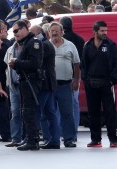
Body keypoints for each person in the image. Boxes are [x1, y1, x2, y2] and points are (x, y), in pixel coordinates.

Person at [81, 20, 117, 148]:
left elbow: (115, 65)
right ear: (95, 32)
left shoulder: (111, 45)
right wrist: (86, 79)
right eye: (102, 31)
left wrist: (112, 80)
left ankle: (113, 139)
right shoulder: (88, 45)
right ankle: (96, 139)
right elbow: (83, 65)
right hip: (91, 84)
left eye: (106, 30)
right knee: (93, 112)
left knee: (110, 112)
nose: (105, 33)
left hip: (106, 83)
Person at [9, 20, 43, 151]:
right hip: (24, 81)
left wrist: (17, 62)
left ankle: (33, 140)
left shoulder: (34, 43)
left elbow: (34, 64)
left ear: (24, 29)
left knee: (29, 111)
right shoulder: (24, 43)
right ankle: (29, 138)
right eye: (13, 32)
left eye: (16, 31)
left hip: (31, 81)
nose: (15, 34)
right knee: (26, 111)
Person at [49, 22, 80, 147]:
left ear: (62, 32)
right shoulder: (46, 45)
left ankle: (69, 139)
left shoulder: (70, 45)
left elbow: (77, 64)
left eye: (57, 31)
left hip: (66, 85)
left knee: (67, 113)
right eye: (52, 31)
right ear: (48, 33)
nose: (54, 33)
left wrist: (76, 80)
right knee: (50, 114)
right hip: (49, 86)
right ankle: (53, 139)